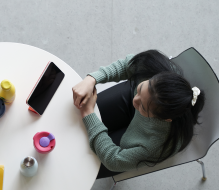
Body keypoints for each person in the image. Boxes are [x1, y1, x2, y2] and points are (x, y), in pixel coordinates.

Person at [72, 50, 206, 179]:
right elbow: (128, 65)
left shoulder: (159, 145)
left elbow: (113, 160)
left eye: (142, 106)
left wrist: (88, 113)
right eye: (140, 88)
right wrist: (92, 79)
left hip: (138, 140)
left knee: (81, 166)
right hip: (145, 107)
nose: (134, 100)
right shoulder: (160, 69)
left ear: (166, 119)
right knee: (74, 117)